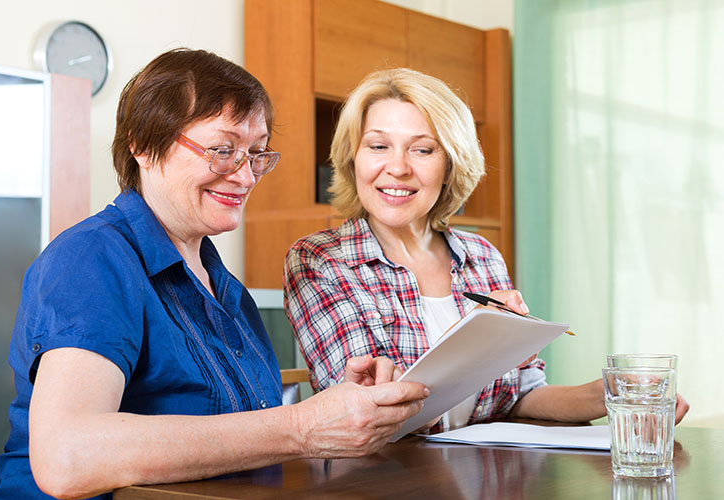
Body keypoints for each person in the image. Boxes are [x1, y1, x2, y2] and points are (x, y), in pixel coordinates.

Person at [0, 50, 428, 500]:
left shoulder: (223, 289)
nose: (245, 176)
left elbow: (244, 444)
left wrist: (338, 417)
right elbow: (68, 459)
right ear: (142, 144)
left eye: (255, 154)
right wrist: (301, 426)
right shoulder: (92, 258)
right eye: (222, 150)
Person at [283, 67, 689, 432]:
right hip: (382, 483)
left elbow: (520, 395)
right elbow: (374, 408)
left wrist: (609, 394)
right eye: (378, 146)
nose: (399, 167)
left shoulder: (482, 256)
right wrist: (474, 340)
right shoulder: (319, 259)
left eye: (422, 149)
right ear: (353, 159)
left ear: (449, 166)